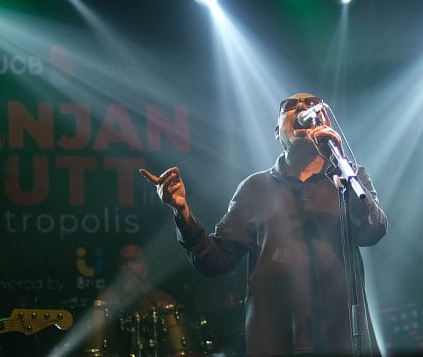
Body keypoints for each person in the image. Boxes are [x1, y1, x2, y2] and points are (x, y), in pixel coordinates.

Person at [140, 93, 388, 356]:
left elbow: (373, 230)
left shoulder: (350, 179)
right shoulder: (255, 188)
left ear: (325, 122)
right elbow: (214, 260)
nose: (301, 107)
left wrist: (339, 166)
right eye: (289, 106)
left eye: (310, 104)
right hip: (275, 342)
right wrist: (182, 212)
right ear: (277, 132)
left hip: (344, 339)